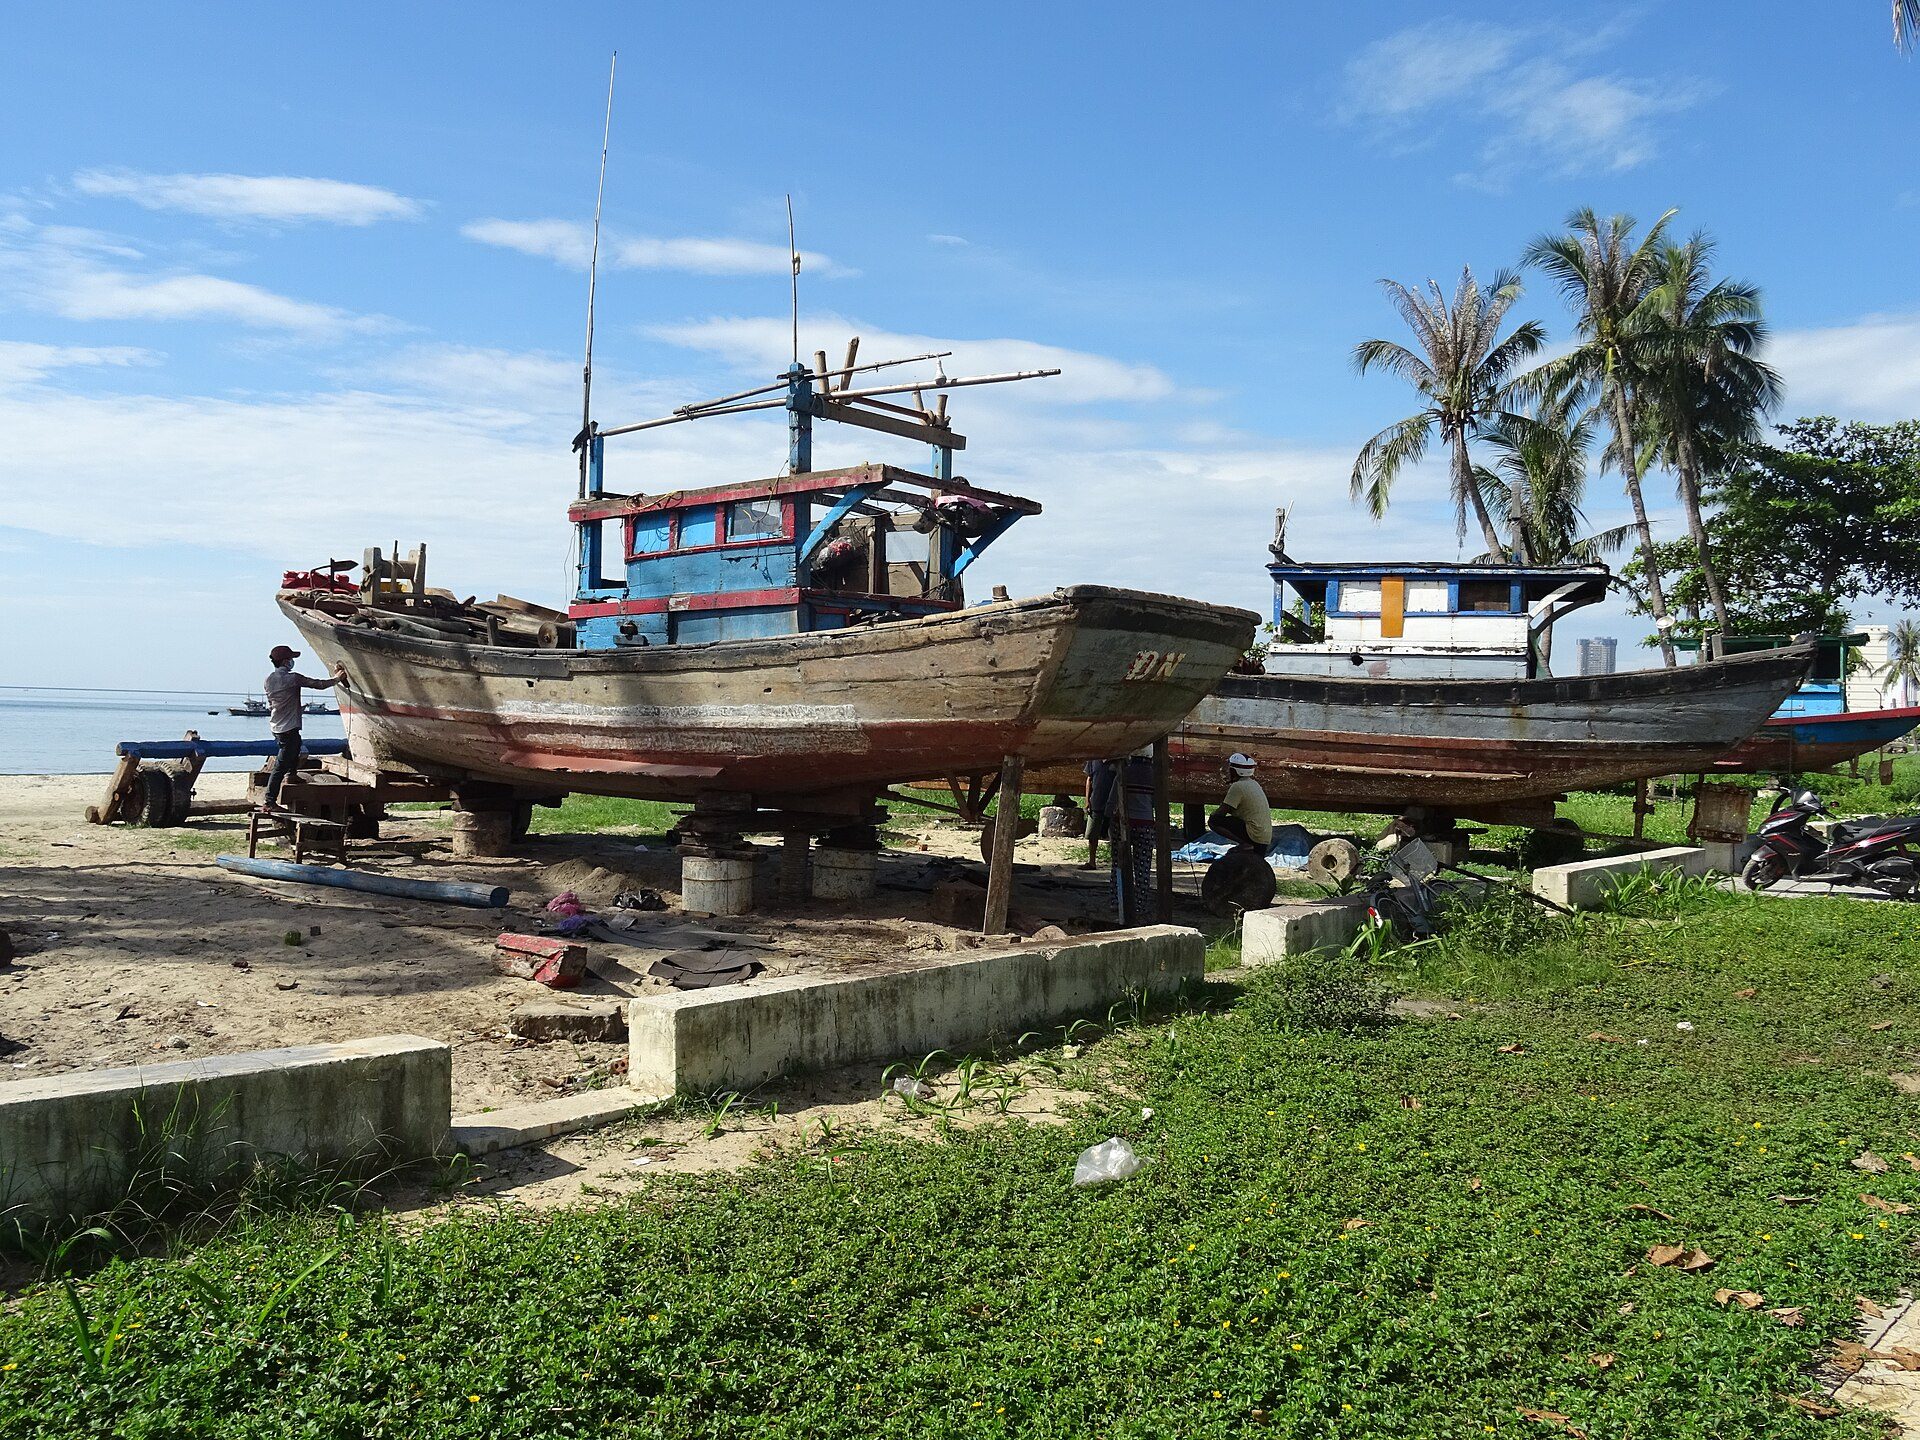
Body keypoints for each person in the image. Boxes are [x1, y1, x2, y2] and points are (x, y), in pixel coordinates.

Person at [261, 645, 344, 811]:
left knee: (297, 746)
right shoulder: (292, 679)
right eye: (291, 659)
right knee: (280, 765)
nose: (292, 662)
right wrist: (337, 678)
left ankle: (291, 775)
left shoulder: (269, 679)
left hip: (276, 725)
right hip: (288, 727)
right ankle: (269, 802)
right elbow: (318, 684)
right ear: (285, 662)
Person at [1097, 750, 1158, 924]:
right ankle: (1140, 905)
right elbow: (1157, 803)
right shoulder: (1155, 776)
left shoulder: (1124, 773)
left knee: (1118, 863)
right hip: (1145, 824)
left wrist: (1105, 823)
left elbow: (1111, 802)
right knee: (1143, 866)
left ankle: (1116, 901)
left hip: (1122, 823)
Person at [1209, 752, 1273, 851]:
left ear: (1234, 771)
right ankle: (1246, 844)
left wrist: (1213, 814)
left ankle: (1245, 843)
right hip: (1263, 838)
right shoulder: (1253, 783)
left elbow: (1222, 811)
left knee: (1214, 821)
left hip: (1254, 836)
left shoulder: (1238, 786)